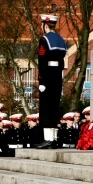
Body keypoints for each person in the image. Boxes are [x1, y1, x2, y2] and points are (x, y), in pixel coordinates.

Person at [35, 14, 67, 149]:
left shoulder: (44, 39)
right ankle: (53, 138)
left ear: (45, 25)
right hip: (57, 76)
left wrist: (41, 80)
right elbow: (61, 60)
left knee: (46, 108)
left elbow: (42, 60)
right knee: (54, 107)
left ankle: (48, 139)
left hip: (47, 76)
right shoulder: (61, 40)